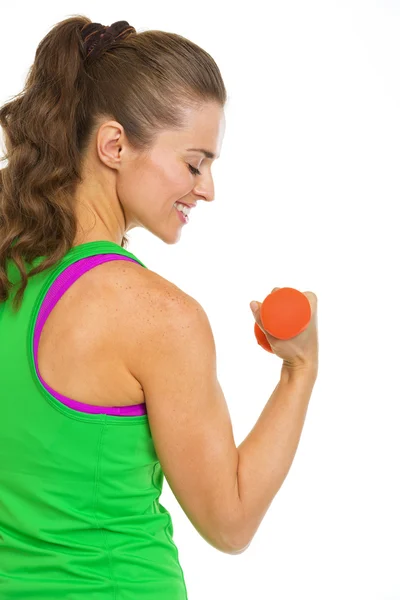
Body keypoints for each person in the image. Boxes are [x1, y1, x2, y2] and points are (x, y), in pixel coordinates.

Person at [0, 15, 319, 600]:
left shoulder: (8, 272)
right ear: (115, 145)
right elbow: (231, 522)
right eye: (195, 163)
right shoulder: (158, 317)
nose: (207, 189)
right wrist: (299, 370)